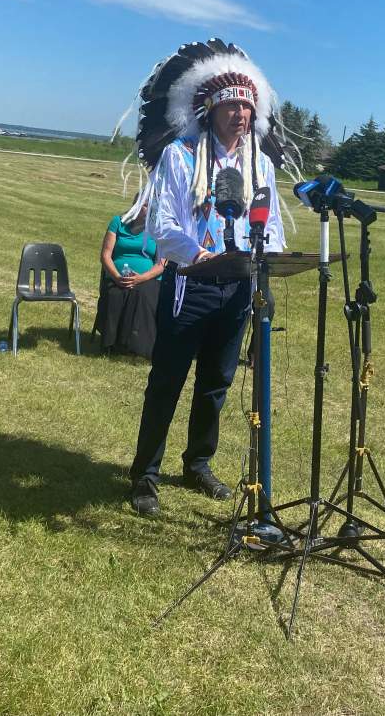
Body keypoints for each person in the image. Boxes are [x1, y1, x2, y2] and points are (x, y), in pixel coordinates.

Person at [122, 39, 295, 516]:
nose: (240, 114)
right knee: (167, 381)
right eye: (231, 106)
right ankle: (146, 474)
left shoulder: (259, 163)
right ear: (211, 111)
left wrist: (269, 258)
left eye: (247, 106)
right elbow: (163, 226)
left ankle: (197, 464)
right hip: (190, 285)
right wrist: (199, 254)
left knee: (216, 382)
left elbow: (273, 224)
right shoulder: (181, 156)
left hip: (238, 288)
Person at [93, 198, 166, 358]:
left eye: (152, 206)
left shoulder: (159, 228)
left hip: (148, 278)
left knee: (142, 295)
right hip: (118, 276)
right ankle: (111, 344)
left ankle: (137, 346)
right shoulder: (118, 222)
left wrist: (141, 278)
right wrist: (117, 277)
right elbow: (106, 255)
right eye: (145, 205)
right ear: (136, 205)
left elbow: (161, 264)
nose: (148, 209)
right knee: (115, 294)